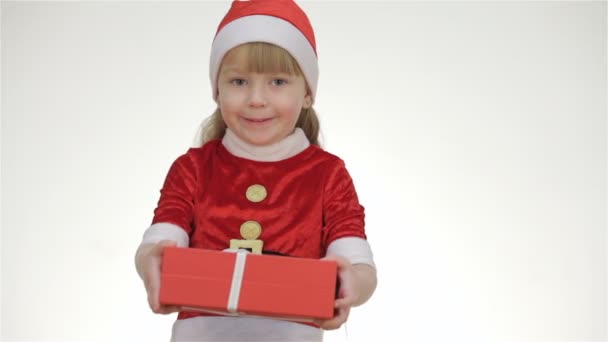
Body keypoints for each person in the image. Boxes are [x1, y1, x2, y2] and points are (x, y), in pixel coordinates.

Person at [135, 0, 377, 340]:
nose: (256, 99)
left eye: (277, 82)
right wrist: (152, 262)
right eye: (238, 82)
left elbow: (357, 262)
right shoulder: (192, 168)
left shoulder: (328, 174)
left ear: (307, 93)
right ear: (216, 90)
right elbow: (160, 240)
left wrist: (351, 283)